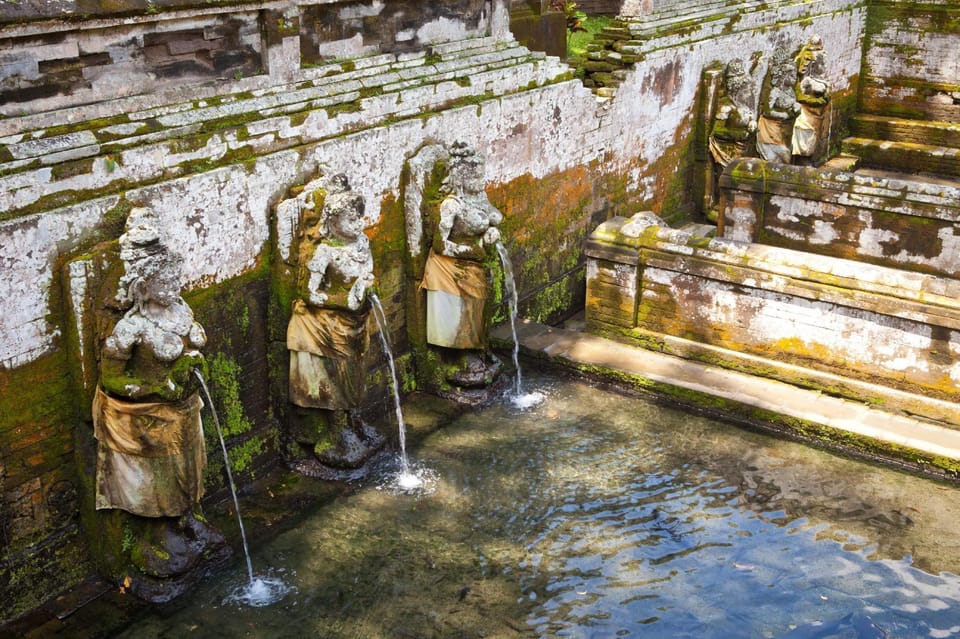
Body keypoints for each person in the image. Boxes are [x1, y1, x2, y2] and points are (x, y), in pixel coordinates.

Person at [94, 207, 207, 517]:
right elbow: (110, 379)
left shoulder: (181, 311)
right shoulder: (132, 328)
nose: (176, 289)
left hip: (186, 410)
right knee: (161, 476)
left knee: (189, 465)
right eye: (167, 284)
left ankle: (187, 515)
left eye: (177, 281)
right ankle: (161, 529)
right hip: (152, 418)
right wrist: (156, 389)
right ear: (143, 287)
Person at [286, 174, 382, 469]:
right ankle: (335, 429)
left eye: (360, 218)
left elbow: (366, 274)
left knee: (355, 369)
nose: (359, 225)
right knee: (335, 375)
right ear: (333, 222)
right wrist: (343, 302)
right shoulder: (324, 251)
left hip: (355, 321)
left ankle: (353, 418)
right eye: (351, 220)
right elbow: (308, 292)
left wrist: (366, 289)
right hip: (326, 324)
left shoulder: (362, 244)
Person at [420, 142, 502, 349]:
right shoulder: (452, 205)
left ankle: (477, 347)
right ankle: (462, 351)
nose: (480, 181)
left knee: (480, 303)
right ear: (461, 178)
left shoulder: (479, 197)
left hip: (475, 261)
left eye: (481, 175)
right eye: (475, 177)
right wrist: (469, 251)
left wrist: (489, 232)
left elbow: (496, 216)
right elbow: (440, 245)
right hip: (451, 266)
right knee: (465, 308)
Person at [757, 46, 801, 164]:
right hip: (772, 129)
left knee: (787, 153)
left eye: (795, 75)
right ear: (782, 76)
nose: (794, 78)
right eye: (791, 76)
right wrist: (783, 115)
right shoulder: (775, 92)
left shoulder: (790, 91)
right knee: (778, 156)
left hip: (786, 128)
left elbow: (792, 105)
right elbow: (766, 111)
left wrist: (796, 108)